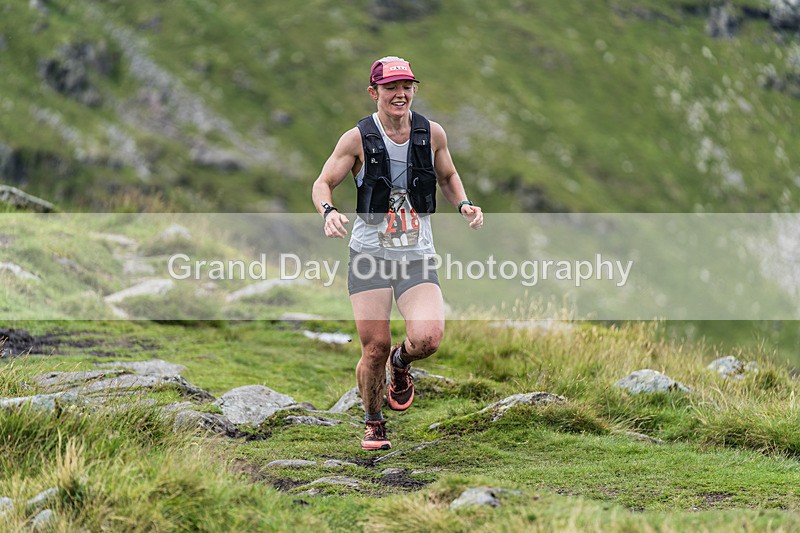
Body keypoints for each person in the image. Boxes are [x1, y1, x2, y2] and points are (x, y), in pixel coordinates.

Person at [311, 56, 483, 451]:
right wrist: (328, 211)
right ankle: (373, 421)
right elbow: (323, 182)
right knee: (374, 347)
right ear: (374, 93)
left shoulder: (431, 133)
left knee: (428, 338)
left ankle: (401, 364)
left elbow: (448, 176)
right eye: (390, 88)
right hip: (369, 255)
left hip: (416, 254)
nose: (399, 94)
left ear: (414, 90)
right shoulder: (356, 139)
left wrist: (464, 204)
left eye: (406, 86)